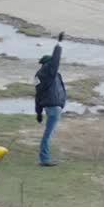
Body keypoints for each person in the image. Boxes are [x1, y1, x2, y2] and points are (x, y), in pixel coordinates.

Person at [35, 32, 67, 167]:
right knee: (48, 134)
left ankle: (45, 157)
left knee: (49, 133)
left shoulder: (39, 76)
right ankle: (45, 159)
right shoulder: (49, 72)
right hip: (53, 107)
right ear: (47, 64)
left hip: (50, 107)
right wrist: (58, 44)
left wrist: (39, 112)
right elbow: (55, 60)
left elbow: (38, 94)